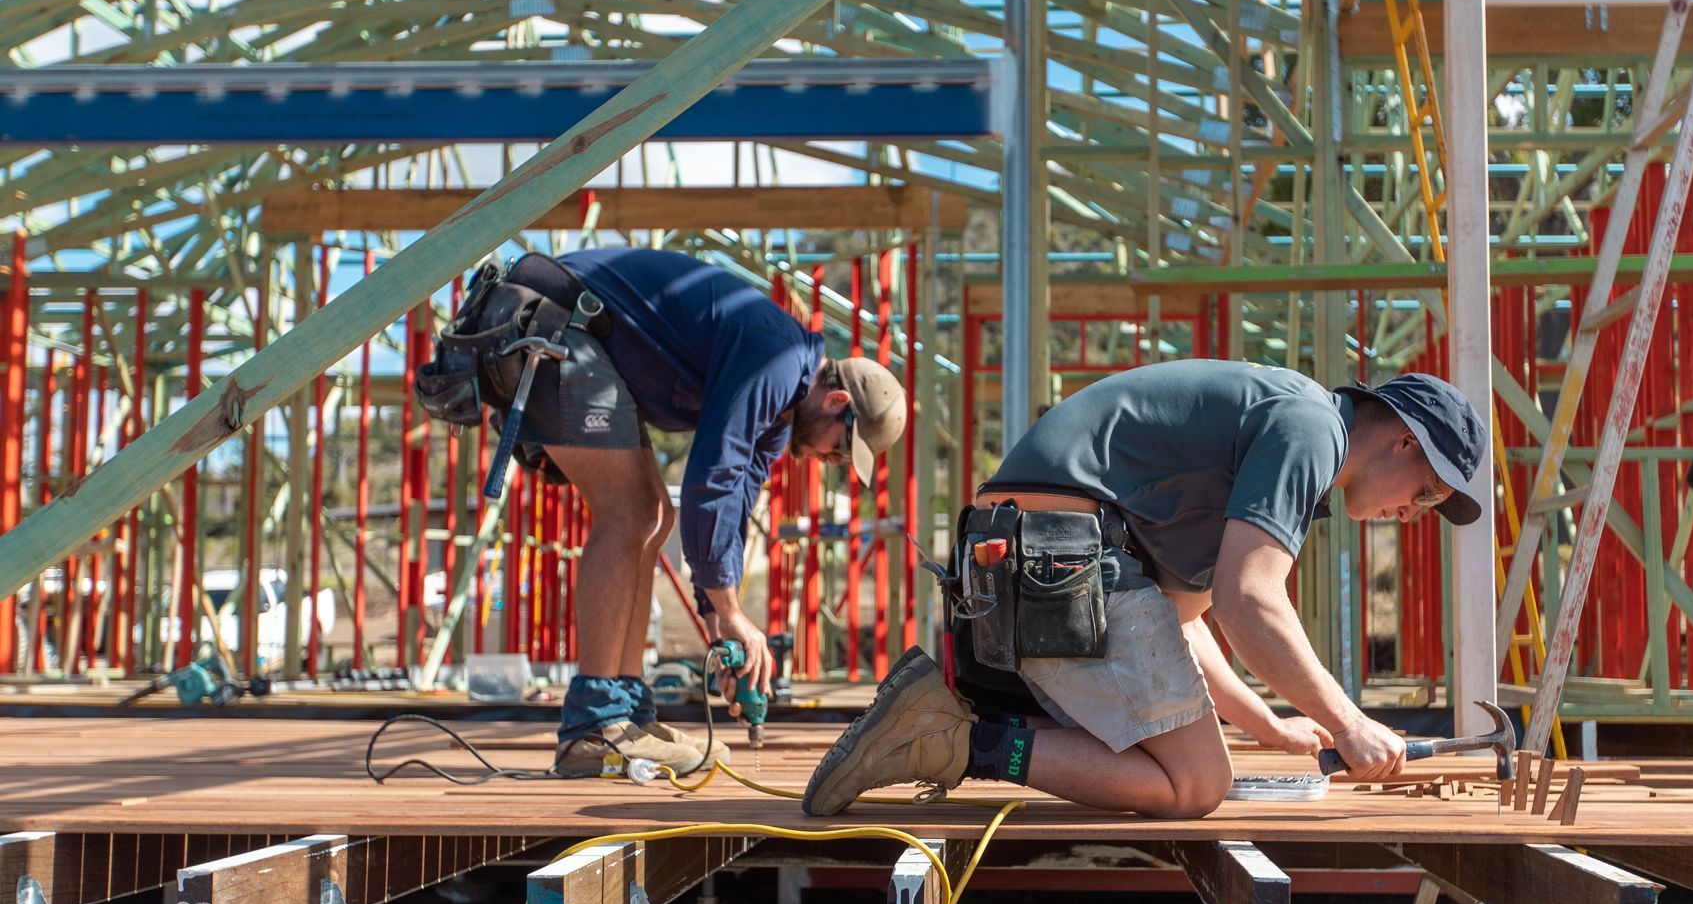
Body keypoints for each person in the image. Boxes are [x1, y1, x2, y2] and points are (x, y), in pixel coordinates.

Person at [800, 360, 1487, 819]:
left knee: (1153, 756)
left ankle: (956, 727)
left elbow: (1178, 621)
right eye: (1427, 492)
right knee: (1196, 785)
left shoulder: (1284, 418)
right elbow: (1251, 601)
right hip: (1059, 561)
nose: (1414, 510)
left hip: (1030, 561)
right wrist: (1350, 722)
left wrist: (1269, 725)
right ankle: (959, 739)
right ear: (1403, 439)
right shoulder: (1311, 431)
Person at [483, 249, 905, 777]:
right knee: (633, 513)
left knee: (653, 515)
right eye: (840, 449)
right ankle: (593, 726)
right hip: (552, 321)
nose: (829, 460)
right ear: (838, 402)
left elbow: (739, 494)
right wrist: (733, 613)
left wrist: (717, 617)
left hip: (575, 333)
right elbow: (713, 475)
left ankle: (627, 712)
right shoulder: (778, 360)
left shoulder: (781, 402)